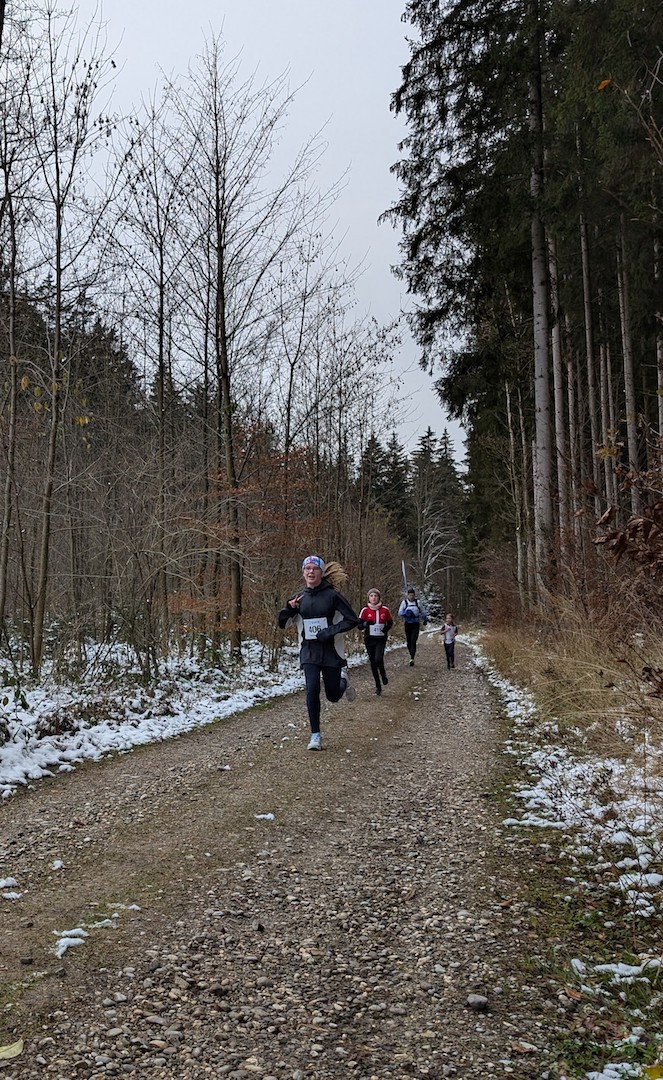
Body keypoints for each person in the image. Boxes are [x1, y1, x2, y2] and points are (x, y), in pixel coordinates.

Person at [277, 555, 359, 751]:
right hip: (309, 651)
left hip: (330, 651)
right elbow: (282, 623)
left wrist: (329, 632)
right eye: (308, 569)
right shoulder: (299, 598)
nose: (311, 572)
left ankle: (343, 680)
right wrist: (289, 609)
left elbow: (352, 620)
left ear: (321, 573)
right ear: (303, 573)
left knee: (333, 696)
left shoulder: (332, 596)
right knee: (312, 688)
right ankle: (315, 735)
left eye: (315, 568)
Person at [358, 588, 393, 696]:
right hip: (369, 639)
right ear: (368, 598)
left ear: (379, 598)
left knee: (378, 658)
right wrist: (366, 624)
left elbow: (390, 622)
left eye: (375, 596)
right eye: (371, 596)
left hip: (381, 639)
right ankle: (378, 685)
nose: (373, 598)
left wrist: (386, 628)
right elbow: (359, 625)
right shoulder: (365, 610)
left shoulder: (385, 610)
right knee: (373, 662)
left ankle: (383, 674)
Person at [398, 587, 428, 666]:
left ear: (414, 595)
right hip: (407, 624)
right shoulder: (404, 603)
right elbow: (400, 613)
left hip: (415, 624)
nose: (411, 597)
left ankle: (412, 657)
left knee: (413, 640)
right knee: (409, 641)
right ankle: (411, 653)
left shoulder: (418, 602)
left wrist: (425, 619)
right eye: (410, 595)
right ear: (407, 595)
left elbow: (423, 611)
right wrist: (406, 613)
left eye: (412, 595)